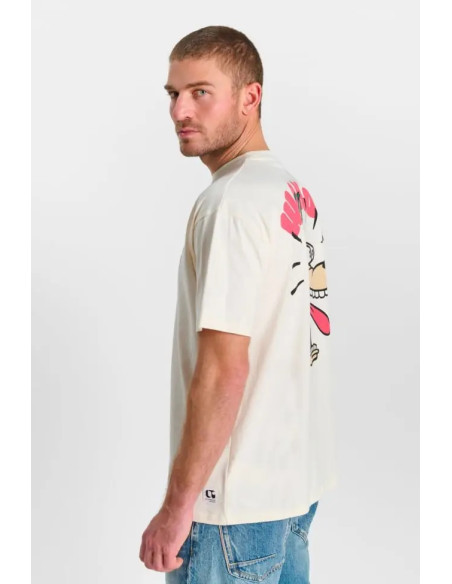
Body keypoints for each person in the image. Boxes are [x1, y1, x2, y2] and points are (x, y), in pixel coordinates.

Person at [139, 25, 338, 583]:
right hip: (291, 493)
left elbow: (224, 368)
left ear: (250, 97)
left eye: (200, 92)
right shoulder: (289, 189)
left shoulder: (230, 202)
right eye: (173, 94)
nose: (180, 110)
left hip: (232, 509)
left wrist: (178, 508)